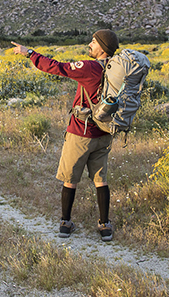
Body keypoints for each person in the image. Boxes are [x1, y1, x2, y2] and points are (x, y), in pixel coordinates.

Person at [12, 29, 119, 242]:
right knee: (101, 180)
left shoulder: (89, 67)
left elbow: (56, 67)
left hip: (81, 132)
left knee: (70, 179)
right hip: (105, 132)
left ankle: (65, 223)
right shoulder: (116, 68)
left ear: (102, 47)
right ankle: (105, 226)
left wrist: (29, 52)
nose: (90, 44)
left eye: (93, 41)